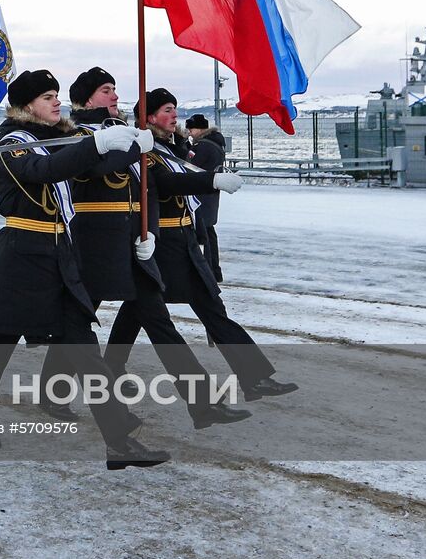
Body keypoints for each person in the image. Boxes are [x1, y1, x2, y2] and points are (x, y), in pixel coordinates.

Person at [0, 69, 170, 468]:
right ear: (25, 106)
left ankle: (118, 441)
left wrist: (130, 148)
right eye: (47, 96)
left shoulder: (57, 139)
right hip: (21, 252)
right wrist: (97, 145)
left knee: (83, 345)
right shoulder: (11, 143)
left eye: (57, 95)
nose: (56, 101)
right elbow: (44, 172)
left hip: (58, 252)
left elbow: (90, 168)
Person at [64, 67, 250, 430]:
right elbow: (96, 171)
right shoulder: (80, 136)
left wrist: (148, 232)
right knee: (75, 322)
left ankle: (203, 405)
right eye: (106, 91)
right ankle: (46, 392)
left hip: (130, 244)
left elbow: (153, 185)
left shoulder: (120, 134)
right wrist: (134, 146)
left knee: (161, 325)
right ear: (86, 99)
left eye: (115, 90)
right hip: (94, 245)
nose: (115, 97)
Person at [107, 90, 298, 401]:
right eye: (168, 110)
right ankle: (112, 365)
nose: (174, 115)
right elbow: (167, 184)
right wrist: (211, 181)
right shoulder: (145, 151)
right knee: (142, 309)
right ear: (151, 117)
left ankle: (253, 377)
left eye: (175, 109)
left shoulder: (175, 147)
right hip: (161, 242)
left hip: (184, 242)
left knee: (202, 307)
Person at [185, 113, 227, 282]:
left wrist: (185, 148)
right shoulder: (217, 142)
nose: (189, 133)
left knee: (202, 233)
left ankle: (206, 271)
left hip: (200, 195)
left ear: (199, 128)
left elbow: (186, 165)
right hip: (212, 193)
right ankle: (214, 270)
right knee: (209, 232)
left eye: (191, 129)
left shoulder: (202, 146)